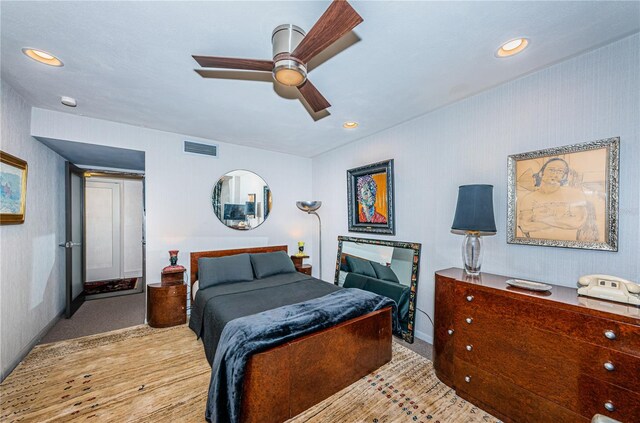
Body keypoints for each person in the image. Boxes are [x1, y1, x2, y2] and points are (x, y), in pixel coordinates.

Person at [517, 157, 597, 241]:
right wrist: (563, 221)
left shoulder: (575, 194)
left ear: (564, 176)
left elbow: (578, 222)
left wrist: (540, 219)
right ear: (541, 173)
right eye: (551, 170)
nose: (555, 174)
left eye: (560, 171)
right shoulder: (528, 198)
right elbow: (525, 226)